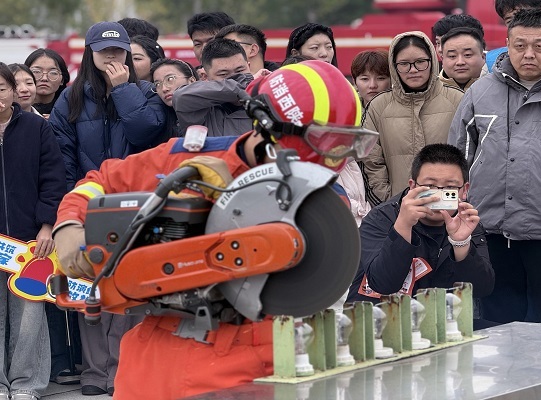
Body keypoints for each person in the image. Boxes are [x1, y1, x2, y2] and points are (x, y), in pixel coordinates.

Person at [52, 60, 374, 399]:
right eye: (324, 140)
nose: (332, 158)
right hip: (156, 358)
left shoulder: (324, 207)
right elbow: (101, 181)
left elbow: (319, 298)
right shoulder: (185, 160)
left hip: (258, 364)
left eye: (343, 143)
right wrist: (70, 224)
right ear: (269, 127)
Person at [448, 9, 541, 325]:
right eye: (519, 45)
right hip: (490, 228)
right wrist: (455, 211)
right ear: (506, 45)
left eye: (539, 45)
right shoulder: (481, 92)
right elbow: (457, 159)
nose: (529, 54)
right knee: (499, 324)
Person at [48, 21, 166, 396]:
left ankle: (124, 371)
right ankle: (95, 373)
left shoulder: (145, 91)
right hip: (90, 204)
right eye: (104, 51)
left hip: (138, 206)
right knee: (91, 285)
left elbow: (147, 133)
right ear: (91, 53)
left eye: (118, 51)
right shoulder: (71, 98)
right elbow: (61, 156)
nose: (112, 57)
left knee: (129, 287)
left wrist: (123, 90)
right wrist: (73, 203)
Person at [347, 144, 494, 307]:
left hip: (440, 317)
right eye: (430, 187)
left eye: (450, 188)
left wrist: (461, 244)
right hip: (379, 316)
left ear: (464, 190)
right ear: (413, 186)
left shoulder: (467, 221)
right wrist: (403, 226)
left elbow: (481, 289)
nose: (438, 196)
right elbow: (383, 284)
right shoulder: (381, 218)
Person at [0, 62, 66, 400]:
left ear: (13, 91)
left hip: (29, 239)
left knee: (29, 312)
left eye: (1, 89)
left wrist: (47, 226)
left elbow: (53, 179)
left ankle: (26, 383)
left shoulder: (36, 128)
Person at [361, 31, 464, 207]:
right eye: (404, 64)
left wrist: (456, 200)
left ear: (432, 61)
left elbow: (470, 155)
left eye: (420, 62)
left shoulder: (457, 100)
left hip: (450, 208)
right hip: (397, 209)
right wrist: (390, 202)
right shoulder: (378, 106)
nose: (413, 70)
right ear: (394, 66)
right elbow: (370, 161)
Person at [172, 38, 263, 137]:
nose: (234, 79)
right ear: (205, 77)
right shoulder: (201, 109)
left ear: (249, 66)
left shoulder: (264, 100)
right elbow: (180, 97)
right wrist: (246, 82)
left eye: (240, 71)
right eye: (223, 74)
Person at [150, 58, 198, 138]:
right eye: (157, 84)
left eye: (170, 79)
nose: (164, 89)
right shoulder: (161, 122)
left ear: (191, 81)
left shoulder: (212, 110)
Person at [24, 48, 70, 119]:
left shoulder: (73, 109)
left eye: (53, 73)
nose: (44, 78)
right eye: (36, 71)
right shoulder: (12, 108)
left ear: (62, 80)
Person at [215, 24, 280, 73]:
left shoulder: (282, 82)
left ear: (253, 50)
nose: (223, 51)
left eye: (231, 45)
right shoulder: (220, 84)